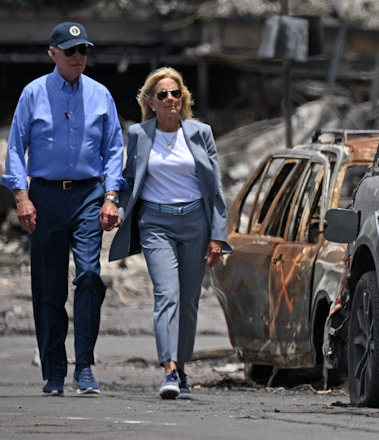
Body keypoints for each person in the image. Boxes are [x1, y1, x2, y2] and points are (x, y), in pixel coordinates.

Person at [2, 21, 125, 396]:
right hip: (45, 196)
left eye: (83, 51)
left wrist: (111, 196)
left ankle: (84, 365)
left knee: (89, 275)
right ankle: (54, 370)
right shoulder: (33, 93)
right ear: (53, 54)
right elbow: (15, 149)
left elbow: (114, 149)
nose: (78, 58)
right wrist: (21, 198)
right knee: (48, 287)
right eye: (70, 51)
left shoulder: (102, 95)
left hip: (88, 195)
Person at [109, 66, 230, 400]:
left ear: (183, 98)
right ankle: (169, 369)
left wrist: (218, 235)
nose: (170, 99)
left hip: (195, 222)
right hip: (155, 224)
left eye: (176, 93)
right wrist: (114, 207)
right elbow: (129, 180)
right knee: (167, 294)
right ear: (150, 101)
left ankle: (183, 368)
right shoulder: (139, 135)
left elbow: (215, 187)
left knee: (189, 301)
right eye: (162, 94)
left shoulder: (200, 133)